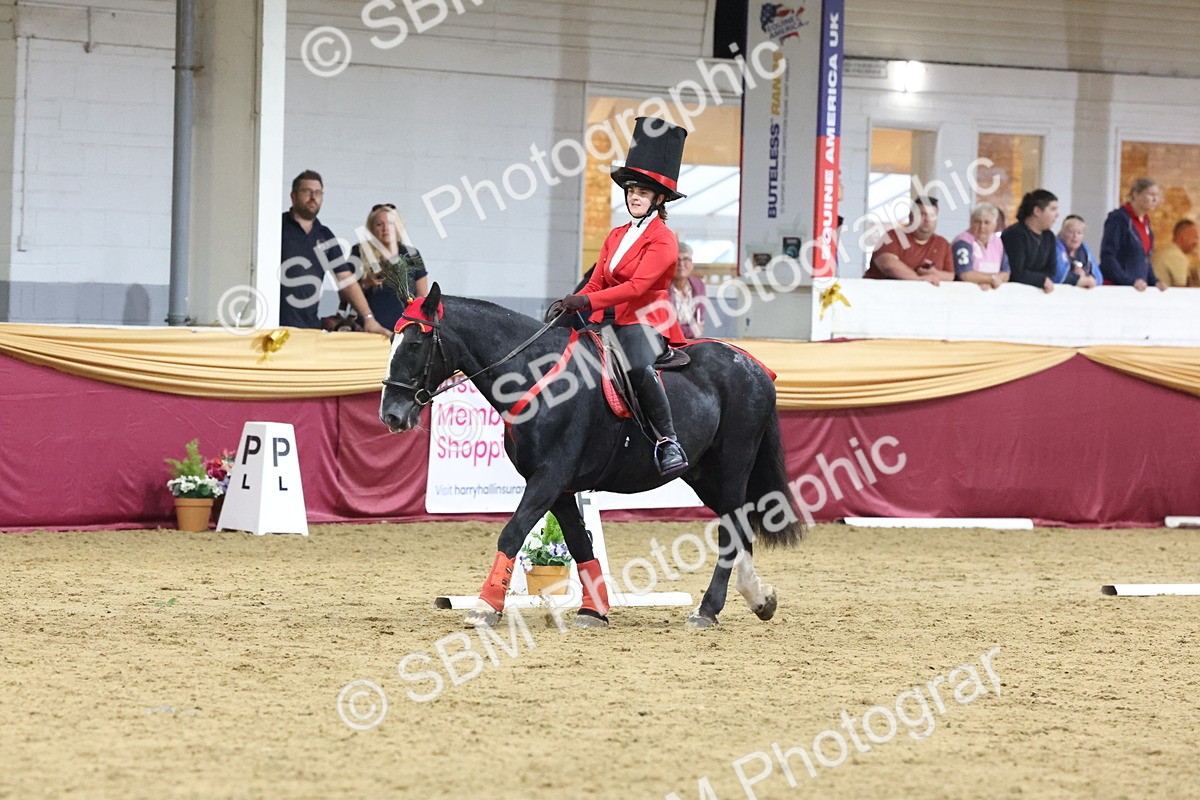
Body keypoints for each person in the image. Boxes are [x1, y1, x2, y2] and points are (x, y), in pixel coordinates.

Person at [550, 116, 690, 477]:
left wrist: (588, 302)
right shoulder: (615, 234)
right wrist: (572, 302)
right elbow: (597, 281)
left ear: (659, 198)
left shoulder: (664, 239)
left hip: (645, 322)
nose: (634, 196)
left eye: (642, 192)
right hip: (607, 320)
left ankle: (667, 441)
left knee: (638, 368)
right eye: (630, 190)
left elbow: (638, 288)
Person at [280, 170, 388, 333]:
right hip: (273, 325)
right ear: (293, 196)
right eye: (307, 191)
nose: (313, 197)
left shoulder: (325, 235)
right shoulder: (277, 226)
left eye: (317, 192)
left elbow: (345, 279)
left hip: (309, 328)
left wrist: (369, 319)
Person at [349, 203, 430, 330]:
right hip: (368, 329)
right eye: (379, 224)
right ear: (371, 228)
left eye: (391, 223)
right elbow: (345, 292)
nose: (385, 228)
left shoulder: (411, 254)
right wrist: (366, 283)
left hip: (404, 329)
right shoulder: (360, 251)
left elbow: (422, 294)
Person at [863, 196, 955, 285]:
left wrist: (935, 274)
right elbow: (888, 265)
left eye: (932, 215)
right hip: (878, 295)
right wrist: (918, 279)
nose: (927, 219)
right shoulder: (892, 236)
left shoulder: (942, 243)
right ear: (911, 216)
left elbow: (950, 275)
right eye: (922, 214)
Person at [1100, 177, 1166, 291]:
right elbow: (1108, 256)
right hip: (1118, 288)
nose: (1155, 199)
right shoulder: (1119, 219)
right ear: (1135, 195)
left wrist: (1154, 281)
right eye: (1151, 194)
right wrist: (1128, 281)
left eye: (1157, 195)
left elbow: (1144, 259)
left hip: (1138, 288)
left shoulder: (1145, 222)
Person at [1000, 189, 1059, 293]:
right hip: (1012, 294)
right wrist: (1041, 280)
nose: (1057, 214)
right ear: (1037, 211)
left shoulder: (1049, 237)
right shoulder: (1015, 234)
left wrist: (1043, 280)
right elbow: (1017, 272)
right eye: (1053, 209)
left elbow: (1052, 270)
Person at [951, 203, 1010, 290]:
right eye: (977, 222)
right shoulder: (962, 241)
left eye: (987, 222)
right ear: (971, 222)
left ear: (995, 225)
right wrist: (990, 279)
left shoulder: (997, 241)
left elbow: (1006, 272)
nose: (982, 226)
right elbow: (964, 273)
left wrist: (992, 282)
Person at [669, 242, 707, 338]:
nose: (681, 264)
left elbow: (700, 325)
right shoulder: (662, 287)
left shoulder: (699, 286)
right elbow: (667, 329)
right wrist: (691, 330)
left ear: (692, 264)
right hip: (668, 344)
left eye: (686, 259)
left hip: (692, 342)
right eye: (677, 260)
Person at [1054, 215, 1101, 288]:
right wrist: (1079, 279)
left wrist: (1086, 277)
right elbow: (1058, 275)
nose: (1075, 236)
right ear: (1062, 233)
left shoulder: (1085, 251)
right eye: (1071, 232)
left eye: (1079, 233)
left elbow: (1099, 278)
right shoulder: (1055, 248)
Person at [1150, 219, 1199, 288]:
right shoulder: (1176, 256)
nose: (1197, 242)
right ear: (1184, 235)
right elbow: (1182, 291)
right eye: (1195, 237)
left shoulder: (1166, 252)